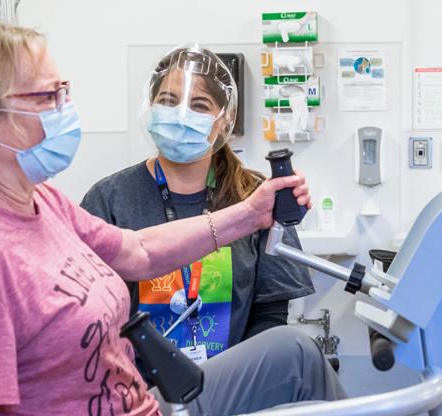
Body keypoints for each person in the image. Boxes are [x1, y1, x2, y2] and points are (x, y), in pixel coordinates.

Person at [0, 23, 345, 416]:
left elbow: (138, 251)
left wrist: (252, 213)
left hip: (146, 401)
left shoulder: (40, 202)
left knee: (295, 352)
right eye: (46, 97)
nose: (66, 108)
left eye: (65, 90)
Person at [81, 45, 316, 363]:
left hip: (231, 388)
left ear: (225, 119)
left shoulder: (254, 197)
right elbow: (89, 314)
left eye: (199, 105)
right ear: (151, 108)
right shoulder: (109, 199)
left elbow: (270, 314)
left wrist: (231, 380)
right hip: (136, 393)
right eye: (168, 101)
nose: (180, 115)